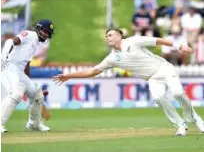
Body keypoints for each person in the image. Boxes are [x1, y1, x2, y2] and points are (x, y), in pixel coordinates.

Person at [53, 28, 204, 136]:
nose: (108, 38)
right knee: (158, 98)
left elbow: (159, 40)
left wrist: (180, 46)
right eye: (106, 36)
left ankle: (196, 119)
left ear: (120, 36)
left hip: (164, 69)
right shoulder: (112, 58)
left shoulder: (134, 41)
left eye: (111, 35)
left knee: (177, 93)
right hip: (151, 78)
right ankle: (180, 124)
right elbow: (92, 71)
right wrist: (70, 75)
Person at [1, 19, 54, 133]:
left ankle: (34, 124)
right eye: (44, 31)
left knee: (37, 93)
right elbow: (11, 41)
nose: (46, 34)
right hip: (9, 66)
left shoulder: (35, 43)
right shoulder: (29, 34)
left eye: (48, 33)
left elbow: (26, 64)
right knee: (16, 93)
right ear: (38, 28)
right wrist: (4, 56)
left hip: (19, 70)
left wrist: (28, 82)